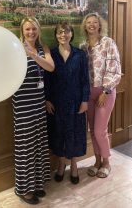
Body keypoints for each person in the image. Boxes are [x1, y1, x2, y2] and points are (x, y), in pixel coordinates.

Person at [12, 17, 55, 205]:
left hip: (38, 103)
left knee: (38, 144)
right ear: (22, 30)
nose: (31, 32)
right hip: (22, 104)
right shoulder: (15, 48)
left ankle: (37, 184)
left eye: (34, 29)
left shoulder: (43, 48)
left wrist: (35, 56)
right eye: (28, 29)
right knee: (25, 147)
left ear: (38, 30)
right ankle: (23, 189)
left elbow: (51, 67)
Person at [44, 22, 90, 185]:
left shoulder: (80, 54)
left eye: (67, 32)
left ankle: (74, 164)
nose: (63, 35)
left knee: (75, 134)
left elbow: (85, 80)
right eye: (60, 32)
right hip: (56, 102)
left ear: (72, 34)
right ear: (56, 35)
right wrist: (47, 99)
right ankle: (61, 164)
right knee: (58, 133)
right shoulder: (51, 54)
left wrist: (85, 100)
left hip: (76, 102)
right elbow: (47, 79)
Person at [80, 12, 121, 178]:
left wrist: (106, 90)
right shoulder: (83, 47)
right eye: (88, 22)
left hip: (105, 91)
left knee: (99, 131)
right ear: (85, 26)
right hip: (88, 92)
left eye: (94, 22)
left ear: (99, 25)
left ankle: (106, 162)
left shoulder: (108, 43)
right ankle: (96, 161)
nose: (91, 25)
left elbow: (115, 69)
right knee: (92, 130)